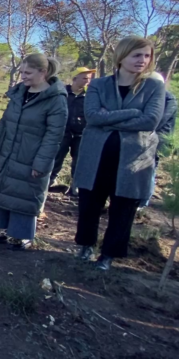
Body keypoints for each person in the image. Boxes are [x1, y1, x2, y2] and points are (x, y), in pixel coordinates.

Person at [74, 36, 165, 271]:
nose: (142, 60)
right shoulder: (98, 84)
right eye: (137, 55)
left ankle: (108, 255)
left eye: (147, 56)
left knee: (123, 208)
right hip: (97, 155)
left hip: (133, 160)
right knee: (89, 203)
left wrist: (110, 117)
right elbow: (92, 117)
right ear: (122, 56)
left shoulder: (154, 86)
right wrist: (133, 113)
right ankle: (86, 246)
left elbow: (151, 120)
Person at [0, 53, 67, 250]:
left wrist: (41, 163)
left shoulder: (56, 100)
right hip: (8, 151)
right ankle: (5, 231)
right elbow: (5, 122)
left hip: (31, 157)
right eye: (21, 72)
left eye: (28, 72)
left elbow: (53, 136)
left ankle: (23, 237)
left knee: (25, 195)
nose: (23, 76)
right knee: (4, 189)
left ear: (43, 72)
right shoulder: (19, 93)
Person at [49, 67, 95, 195]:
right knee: (56, 158)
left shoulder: (91, 95)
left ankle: (76, 187)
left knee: (79, 161)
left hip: (81, 134)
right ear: (75, 78)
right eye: (84, 78)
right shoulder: (61, 92)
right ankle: (50, 181)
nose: (87, 81)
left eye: (89, 79)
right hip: (62, 132)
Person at [139, 72, 176, 209]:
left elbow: (157, 121)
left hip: (159, 139)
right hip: (144, 137)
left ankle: (143, 202)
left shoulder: (169, 99)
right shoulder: (149, 96)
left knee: (150, 169)